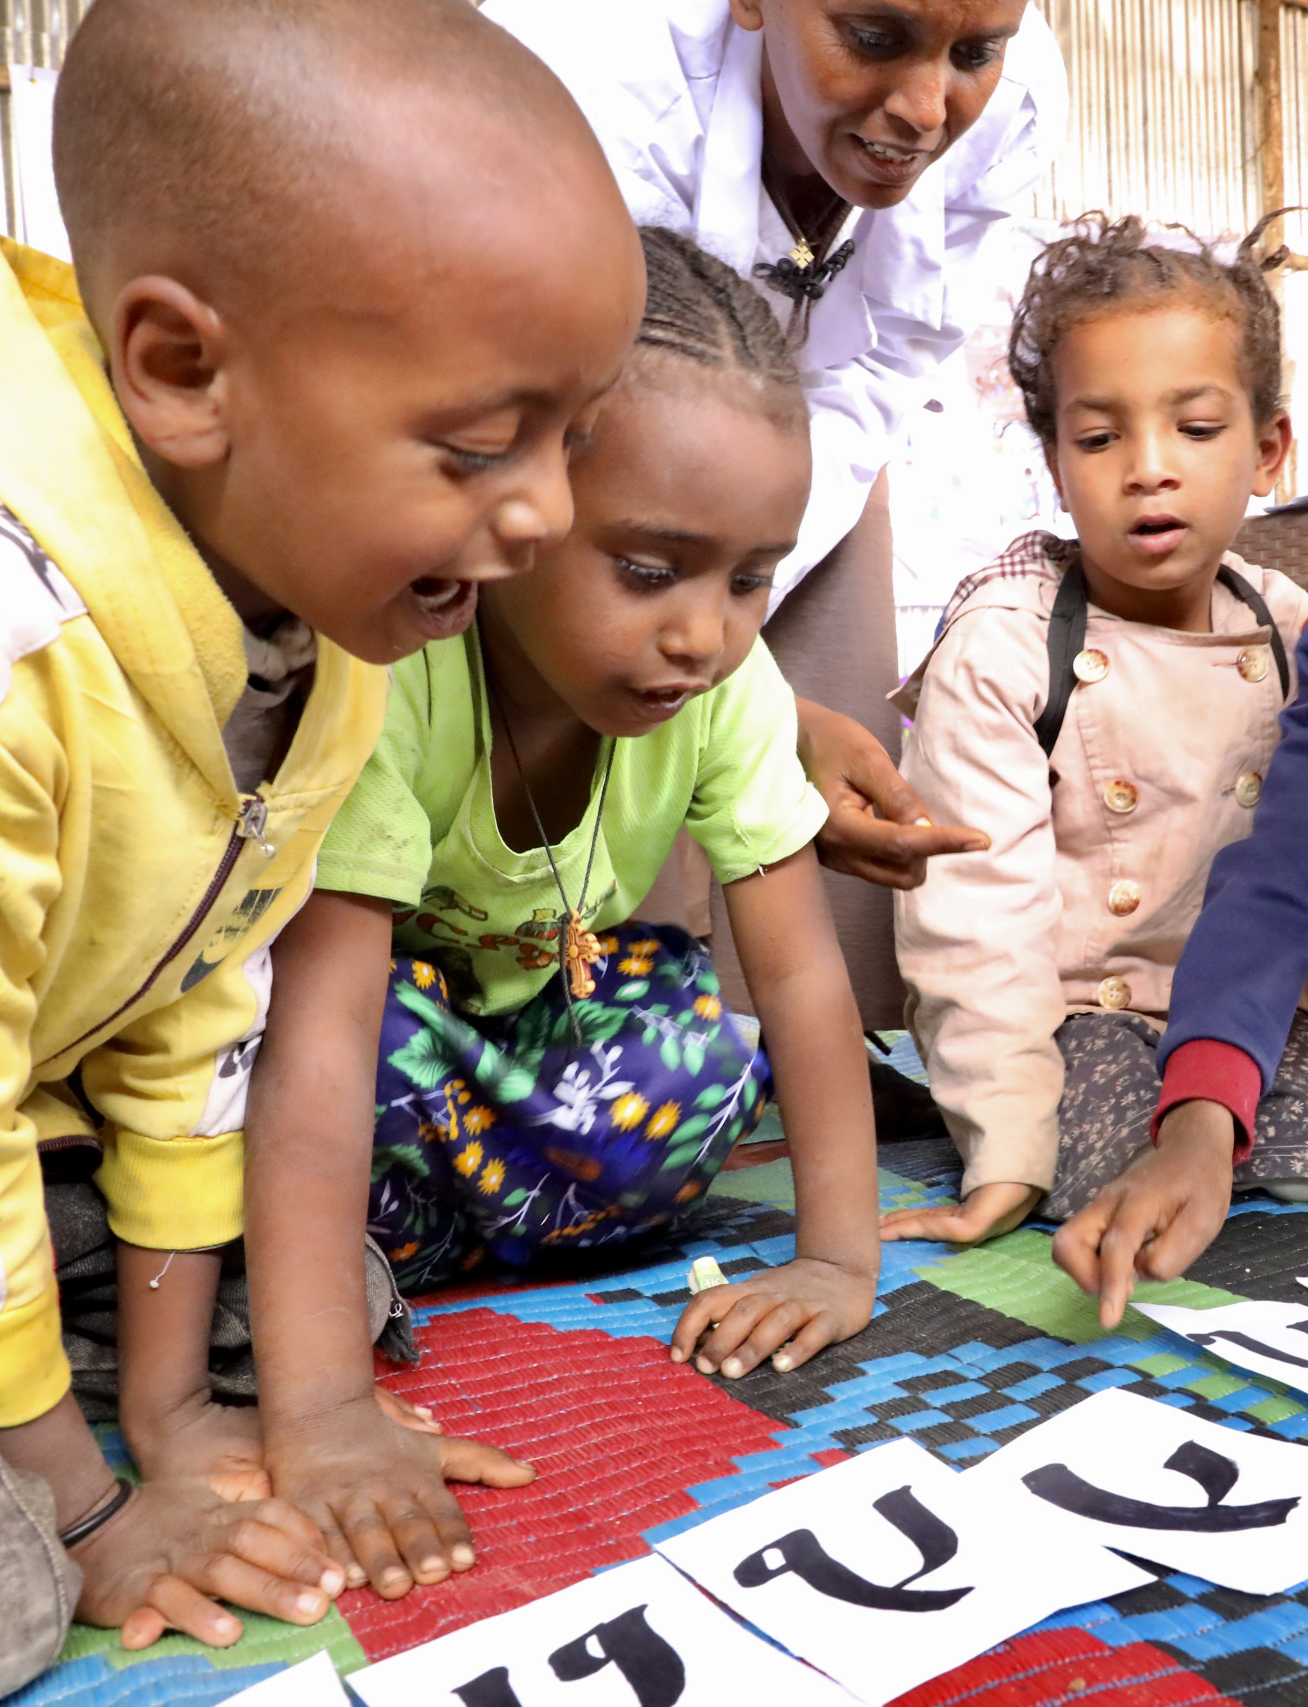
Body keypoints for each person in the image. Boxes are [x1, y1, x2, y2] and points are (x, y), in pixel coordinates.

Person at [0, 0, 646, 1691]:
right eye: (486, 444)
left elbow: (197, 1003)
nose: (551, 514)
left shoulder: (315, 601)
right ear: (186, 369)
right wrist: (82, 1502)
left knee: (329, 1286)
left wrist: (178, 1413)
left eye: (577, 434)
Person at [254, 228, 879, 1605]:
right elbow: (317, 1035)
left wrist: (839, 1258)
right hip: (379, 1051)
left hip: (532, 1048)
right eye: (651, 569)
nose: (702, 634)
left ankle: (400, 1240)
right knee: (342, 1065)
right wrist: (319, 1409)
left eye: (749, 577)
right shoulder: (394, 674)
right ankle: (338, 1268)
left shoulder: (727, 692)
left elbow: (804, 986)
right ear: (516, 512)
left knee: (702, 1055)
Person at [486, 0, 1065, 1033]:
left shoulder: (1016, 97)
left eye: (972, 54)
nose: (929, 108)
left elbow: (887, 356)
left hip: (807, 425)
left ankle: (798, 1051)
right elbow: (568, 409)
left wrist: (741, 606)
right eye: (875, 39)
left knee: (816, 873)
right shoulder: (593, 72)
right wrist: (726, 675)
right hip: (581, 418)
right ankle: (599, 1021)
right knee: (603, 754)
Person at [885, 216, 1308, 1253]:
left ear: (1268, 448)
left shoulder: (1291, 632)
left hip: (1241, 1010)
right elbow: (972, 924)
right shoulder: (1001, 645)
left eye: (1194, 429)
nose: (1148, 469)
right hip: (1073, 1019)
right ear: (1053, 463)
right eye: (1099, 438)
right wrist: (1002, 1147)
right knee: (1089, 1177)